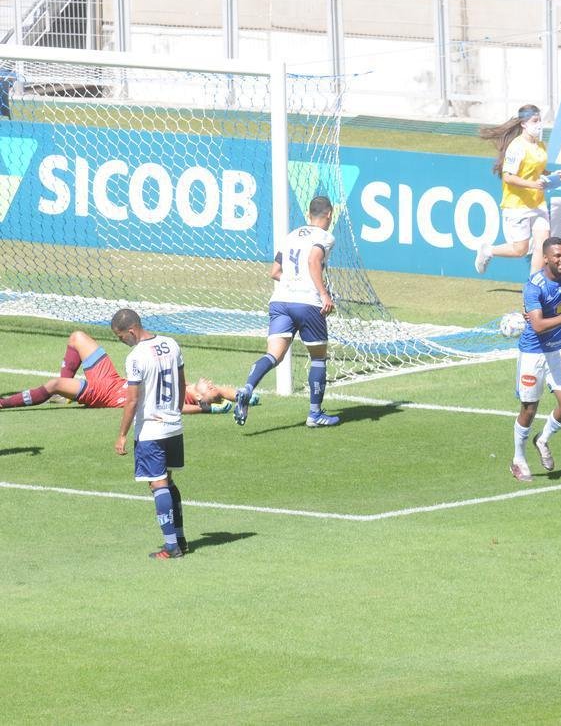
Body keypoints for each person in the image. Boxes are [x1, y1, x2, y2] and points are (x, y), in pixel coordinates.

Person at [233, 195, 339, 428]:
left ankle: (247, 387)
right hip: (308, 303)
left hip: (280, 300)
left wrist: (293, 282)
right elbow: (313, 260)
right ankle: (314, 414)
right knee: (319, 358)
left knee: (273, 356)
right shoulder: (325, 236)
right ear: (329, 214)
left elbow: (275, 271)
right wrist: (323, 293)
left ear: (308, 215)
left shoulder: (290, 236)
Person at [0, 329, 259, 414]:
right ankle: (66, 392)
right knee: (77, 337)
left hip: (106, 395)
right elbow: (225, 391)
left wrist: (209, 409)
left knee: (53, 384)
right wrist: (244, 395)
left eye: (209, 387)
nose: (209, 382)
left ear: (201, 398)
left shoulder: (181, 400)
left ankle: (4, 403)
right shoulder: (190, 389)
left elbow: (180, 409)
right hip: (113, 380)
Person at [509, 236, 561, 482]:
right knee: (529, 408)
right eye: (558, 256)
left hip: (559, 350)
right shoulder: (534, 286)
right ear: (546, 259)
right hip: (533, 353)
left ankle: (542, 439)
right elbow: (537, 324)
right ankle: (518, 459)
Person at [111, 308, 189, 560]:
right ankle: (180, 538)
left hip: (150, 430)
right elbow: (182, 382)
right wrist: (175, 412)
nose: (122, 341)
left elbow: (132, 401)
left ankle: (171, 547)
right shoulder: (171, 344)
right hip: (173, 426)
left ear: (131, 331)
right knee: (168, 480)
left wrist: (122, 434)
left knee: (157, 483)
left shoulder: (136, 357)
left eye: (121, 337)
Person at [473, 104, 561, 276]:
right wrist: (533, 184)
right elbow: (508, 176)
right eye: (535, 121)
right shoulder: (516, 147)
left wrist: (552, 175)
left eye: (540, 120)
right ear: (523, 124)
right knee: (519, 250)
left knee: (542, 246)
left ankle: (534, 286)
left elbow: (538, 171)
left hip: (538, 203)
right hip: (517, 205)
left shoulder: (540, 145)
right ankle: (487, 251)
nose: (539, 125)